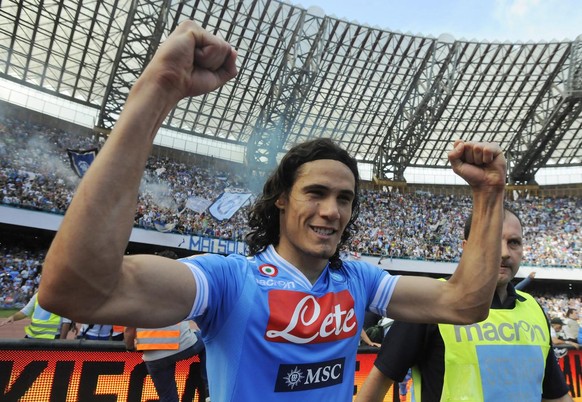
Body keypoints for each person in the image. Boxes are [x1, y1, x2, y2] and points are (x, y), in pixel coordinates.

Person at [38, 19, 508, 402]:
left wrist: (489, 195)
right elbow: (74, 293)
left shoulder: (362, 282)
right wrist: (156, 92)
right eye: (316, 193)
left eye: (345, 199)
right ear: (281, 198)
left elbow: (464, 304)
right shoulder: (227, 281)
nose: (332, 211)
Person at [356, 208, 572, 402]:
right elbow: (374, 389)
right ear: (467, 248)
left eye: (514, 242)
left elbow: (555, 395)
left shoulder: (534, 310)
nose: (505, 252)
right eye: (492, 240)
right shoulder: (430, 304)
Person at [124, 321, 207, 402]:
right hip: (182, 344)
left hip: (154, 356)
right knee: (208, 339)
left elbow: (129, 329)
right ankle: (210, 387)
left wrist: (130, 347)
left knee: (167, 398)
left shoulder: (134, 306)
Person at [0, 292, 72, 339]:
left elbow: (66, 322)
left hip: (51, 338)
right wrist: (13, 317)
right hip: (32, 336)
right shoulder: (37, 295)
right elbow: (25, 312)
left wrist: (61, 343)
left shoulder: (64, 299)